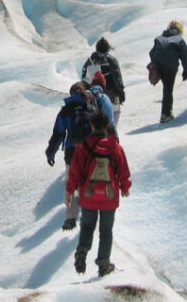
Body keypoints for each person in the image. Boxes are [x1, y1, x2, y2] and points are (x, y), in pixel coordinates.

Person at [66, 111, 131, 278]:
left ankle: (82, 250)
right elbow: (123, 170)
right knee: (106, 230)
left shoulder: (83, 147)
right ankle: (103, 264)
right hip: (109, 196)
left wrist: (70, 190)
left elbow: (75, 172)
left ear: (92, 125)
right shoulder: (115, 147)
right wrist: (125, 188)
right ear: (107, 125)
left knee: (87, 225)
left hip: (88, 195)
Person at [45, 82, 95, 230]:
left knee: (72, 184)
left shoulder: (65, 111)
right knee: (87, 184)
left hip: (71, 153)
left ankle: (71, 216)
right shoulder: (91, 109)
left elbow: (58, 134)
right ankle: (88, 215)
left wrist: (50, 153)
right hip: (89, 153)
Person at [149, 19, 187, 123]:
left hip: (160, 66)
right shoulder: (179, 39)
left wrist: (155, 64)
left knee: (166, 89)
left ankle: (166, 113)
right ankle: (166, 114)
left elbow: (152, 53)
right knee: (168, 90)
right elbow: (185, 56)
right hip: (171, 67)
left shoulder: (159, 38)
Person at [81, 37, 126, 125]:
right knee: (112, 120)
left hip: (93, 97)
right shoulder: (111, 60)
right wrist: (121, 93)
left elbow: (84, 78)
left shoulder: (89, 62)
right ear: (107, 48)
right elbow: (117, 78)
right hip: (111, 95)